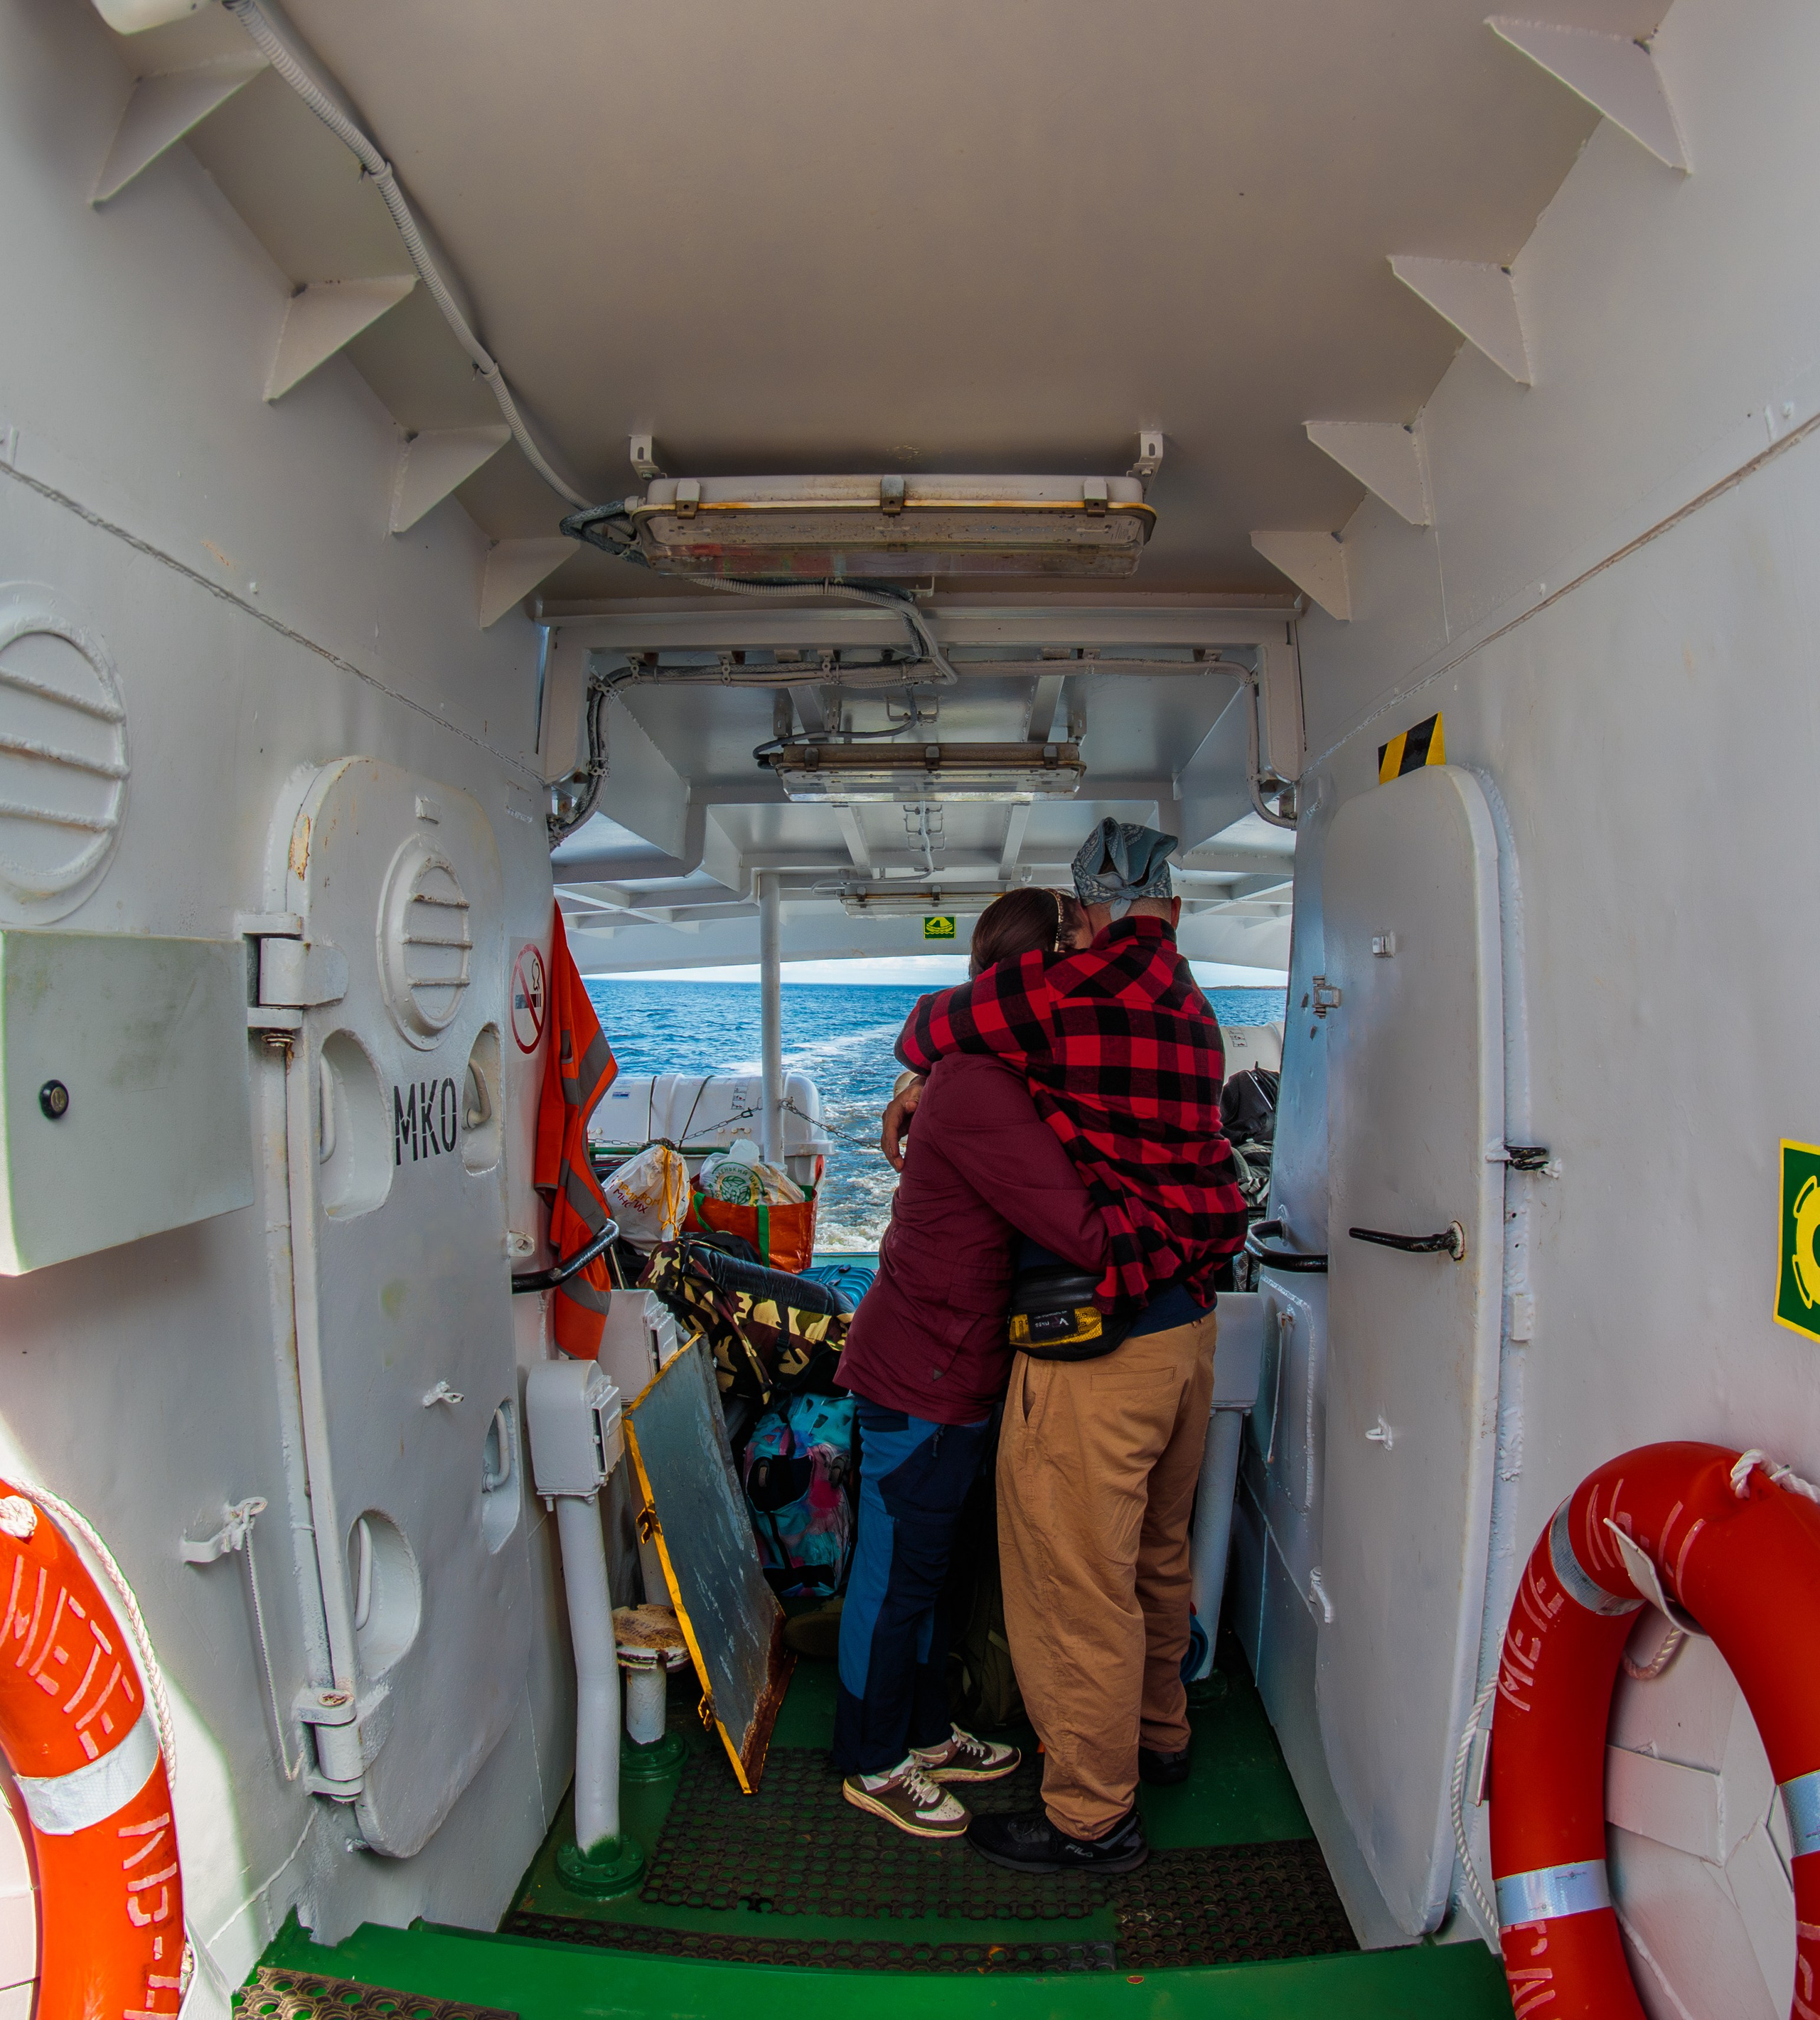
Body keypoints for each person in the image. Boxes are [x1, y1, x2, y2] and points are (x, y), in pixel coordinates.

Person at [891, 819, 1248, 1878]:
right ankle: (1161, 1735)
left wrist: (944, 1065)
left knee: (1072, 1582)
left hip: (1105, 1347)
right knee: (1157, 1557)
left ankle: (1093, 1816)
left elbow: (924, 1030)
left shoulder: (1064, 990)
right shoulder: (1198, 1012)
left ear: (1086, 916)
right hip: (1191, 1331)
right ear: (1173, 911)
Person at [831, 887, 1102, 1842]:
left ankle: (921, 1730)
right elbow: (1075, 1222)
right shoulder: (981, 1086)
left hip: (950, 1367)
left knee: (933, 1573)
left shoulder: (980, 1069)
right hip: (922, 1375)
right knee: (896, 1573)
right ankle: (872, 1758)